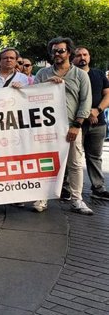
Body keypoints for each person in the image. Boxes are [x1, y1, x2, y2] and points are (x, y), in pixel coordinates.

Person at [33, 37, 93, 215]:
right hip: (47, 127)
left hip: (71, 126)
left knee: (75, 163)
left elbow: (85, 101)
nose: (57, 54)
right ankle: (42, 197)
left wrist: (77, 125)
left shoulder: (81, 75)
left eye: (60, 50)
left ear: (69, 52)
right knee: (46, 162)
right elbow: (31, 96)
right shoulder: (42, 74)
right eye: (53, 51)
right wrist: (46, 85)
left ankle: (77, 199)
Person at [66, 47, 109, 200]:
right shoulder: (68, 75)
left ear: (89, 57)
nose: (82, 57)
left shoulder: (98, 74)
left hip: (98, 123)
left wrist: (97, 110)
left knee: (95, 156)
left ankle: (98, 187)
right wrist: (84, 114)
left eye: (85, 54)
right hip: (75, 124)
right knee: (71, 157)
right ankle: (66, 188)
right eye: (78, 55)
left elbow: (107, 95)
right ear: (72, 58)